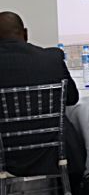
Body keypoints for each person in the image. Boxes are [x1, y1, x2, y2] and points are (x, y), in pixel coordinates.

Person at [0, 11, 84, 181]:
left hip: (6, 156)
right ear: (25, 33)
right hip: (53, 153)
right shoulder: (51, 58)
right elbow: (72, 98)